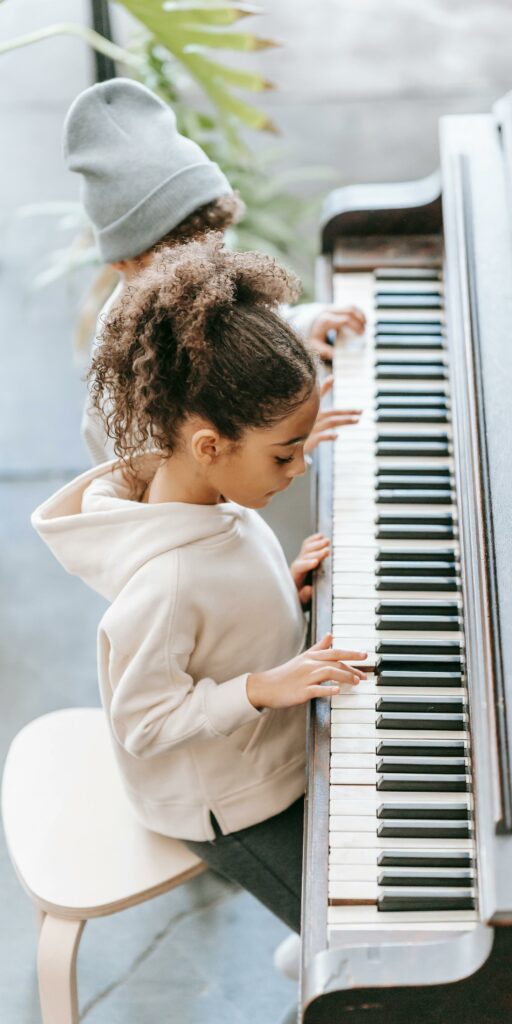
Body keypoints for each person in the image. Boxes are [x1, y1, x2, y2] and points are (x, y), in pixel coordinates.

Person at [32, 237, 367, 966]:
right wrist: (260, 687)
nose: (299, 466)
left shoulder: (211, 492)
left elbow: (223, 598)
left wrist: (285, 584)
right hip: (230, 805)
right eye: (285, 453)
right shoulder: (165, 582)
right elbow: (144, 722)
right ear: (211, 445)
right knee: (353, 935)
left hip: (264, 754)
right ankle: (315, 956)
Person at [62, 77, 365, 465]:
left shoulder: (204, 277)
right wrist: (283, 451)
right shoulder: (125, 377)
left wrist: (302, 325)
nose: (206, 262)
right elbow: (162, 498)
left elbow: (241, 323)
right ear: (122, 259)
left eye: (217, 241)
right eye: (180, 254)